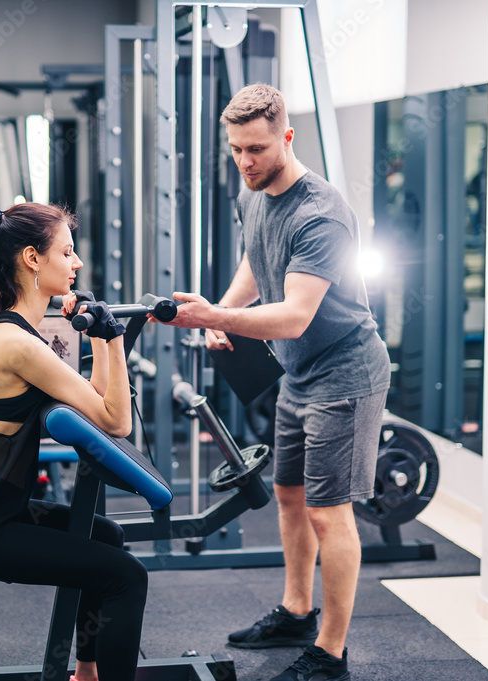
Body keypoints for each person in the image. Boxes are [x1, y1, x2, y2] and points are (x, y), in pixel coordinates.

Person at [159, 84, 390, 681]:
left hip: (345, 372)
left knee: (327, 512)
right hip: (298, 371)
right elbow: (256, 262)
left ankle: (330, 653)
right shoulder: (253, 192)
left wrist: (214, 317)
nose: (245, 161)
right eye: (235, 149)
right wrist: (226, 308)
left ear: (287, 136)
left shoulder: (323, 212)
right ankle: (296, 610)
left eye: (257, 148)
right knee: (287, 494)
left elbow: (293, 313)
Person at [0, 203, 145, 681]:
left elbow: (95, 403)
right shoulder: (17, 343)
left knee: (108, 537)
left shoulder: (16, 328)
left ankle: (86, 673)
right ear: (32, 259)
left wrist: (98, 336)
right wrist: (116, 338)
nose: (77, 262)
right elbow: (117, 420)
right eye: (68, 251)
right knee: (126, 576)